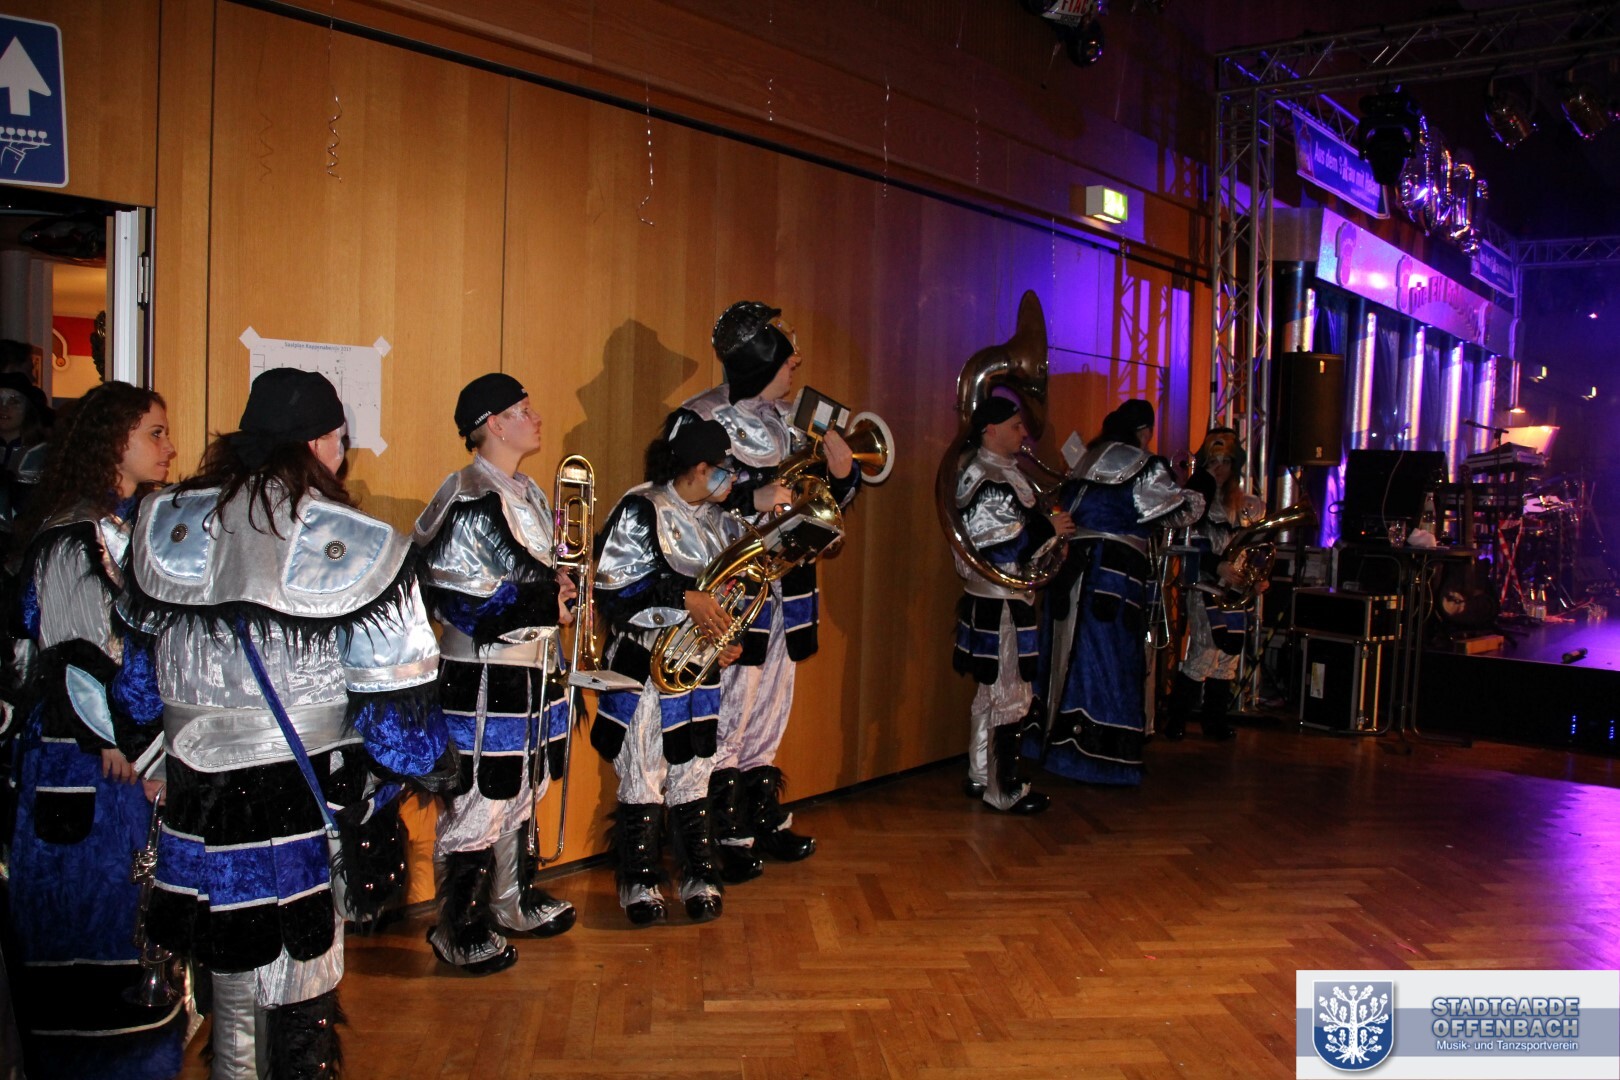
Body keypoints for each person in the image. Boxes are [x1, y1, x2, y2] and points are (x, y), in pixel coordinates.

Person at [122, 368, 453, 1078]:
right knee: (300, 978)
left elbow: (137, 692)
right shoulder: (361, 542)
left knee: (224, 972)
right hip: (302, 802)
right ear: (314, 444)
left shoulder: (161, 523)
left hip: (195, 801)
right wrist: (406, 784)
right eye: (339, 439)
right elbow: (402, 730)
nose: (342, 454)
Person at [6, 381, 182, 1080]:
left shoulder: (126, 528)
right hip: (85, 763)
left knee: (127, 920)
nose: (169, 448)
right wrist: (128, 749)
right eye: (155, 434)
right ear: (115, 442)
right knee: (88, 928)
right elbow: (78, 658)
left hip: (119, 758)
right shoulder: (75, 537)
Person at [672, 301, 859, 881]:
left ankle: (757, 812)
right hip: (735, 590)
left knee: (772, 709)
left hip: (789, 587)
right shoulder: (700, 417)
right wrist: (747, 493)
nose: (796, 359)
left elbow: (819, 499)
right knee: (729, 710)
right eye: (785, 351)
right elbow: (677, 494)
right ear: (758, 356)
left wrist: (842, 476)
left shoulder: (792, 419)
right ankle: (720, 828)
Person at [413, 373, 577, 977]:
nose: (536, 417)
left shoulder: (525, 491)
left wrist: (558, 589)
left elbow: (532, 575)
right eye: (522, 410)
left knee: (524, 787)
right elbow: (457, 598)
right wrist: (544, 603)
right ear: (492, 425)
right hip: (485, 676)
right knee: (480, 798)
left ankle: (511, 898)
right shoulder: (468, 496)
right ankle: (458, 925)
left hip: (534, 668)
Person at [591, 414, 744, 925]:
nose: (732, 480)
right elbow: (615, 590)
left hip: (696, 669)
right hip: (644, 667)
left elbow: (731, 596)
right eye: (724, 470)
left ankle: (699, 873)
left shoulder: (718, 521)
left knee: (695, 769)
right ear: (699, 468)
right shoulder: (642, 510)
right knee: (644, 771)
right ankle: (639, 880)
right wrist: (684, 598)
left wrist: (726, 638)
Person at [1032, 399, 1204, 786]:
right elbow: (1177, 511)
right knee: (1108, 659)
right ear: (1143, 432)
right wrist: (1196, 491)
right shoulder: (1143, 464)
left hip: (1071, 570)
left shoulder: (1085, 460)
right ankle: (1096, 755)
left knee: (1066, 652)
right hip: (1111, 576)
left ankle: (1053, 741)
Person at [949, 396, 1074, 814]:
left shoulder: (996, 472)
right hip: (1001, 603)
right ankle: (1004, 789)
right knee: (1010, 694)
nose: (1024, 433)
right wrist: (1048, 529)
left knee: (991, 693)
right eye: (1016, 426)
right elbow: (994, 543)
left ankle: (981, 773)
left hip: (999, 600)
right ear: (991, 429)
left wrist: (1050, 538)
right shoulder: (986, 477)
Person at [1164, 428, 1264, 742]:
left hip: (1236, 589)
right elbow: (1189, 543)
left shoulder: (1247, 505)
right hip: (1206, 586)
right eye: (1213, 461)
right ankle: (1176, 719)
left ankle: (1215, 721)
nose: (1219, 468)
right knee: (1205, 651)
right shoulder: (1197, 501)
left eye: (1226, 461)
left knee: (1228, 656)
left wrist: (1258, 577)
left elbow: (1255, 547)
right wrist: (1217, 565)